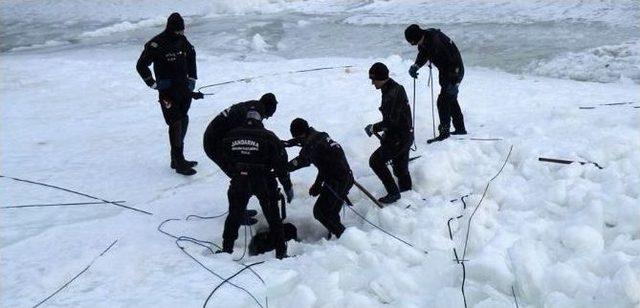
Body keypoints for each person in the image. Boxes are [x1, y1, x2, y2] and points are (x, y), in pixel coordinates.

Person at [216, 111, 293, 259]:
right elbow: (281, 163)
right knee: (273, 217)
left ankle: (227, 249)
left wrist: (235, 171)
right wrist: (287, 185)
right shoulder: (268, 136)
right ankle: (281, 253)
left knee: (234, 214)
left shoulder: (231, 135)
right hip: (263, 179)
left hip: (240, 179)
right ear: (260, 121)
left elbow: (223, 156)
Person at [136, 12, 204, 176]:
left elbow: (192, 54)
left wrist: (192, 78)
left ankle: (176, 158)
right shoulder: (156, 44)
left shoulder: (182, 40)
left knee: (184, 119)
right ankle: (179, 162)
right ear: (170, 28)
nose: (181, 34)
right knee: (175, 123)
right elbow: (141, 65)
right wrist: (152, 83)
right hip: (167, 91)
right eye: (178, 31)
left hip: (183, 89)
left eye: (182, 31)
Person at [287, 118, 353, 238]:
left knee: (320, 212)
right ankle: (338, 236)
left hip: (337, 181)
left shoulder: (312, 146)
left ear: (300, 134)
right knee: (331, 211)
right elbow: (324, 164)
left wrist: (284, 168)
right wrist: (290, 143)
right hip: (346, 176)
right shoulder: (320, 136)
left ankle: (344, 236)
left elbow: (302, 160)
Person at [405, 24, 467, 142]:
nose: (413, 45)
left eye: (412, 42)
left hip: (454, 72)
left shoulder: (435, 42)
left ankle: (444, 133)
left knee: (443, 101)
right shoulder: (426, 38)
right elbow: (424, 53)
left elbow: (452, 59)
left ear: (416, 38)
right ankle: (460, 129)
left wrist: (454, 80)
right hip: (446, 72)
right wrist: (416, 66)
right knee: (451, 100)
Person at [365, 62, 413, 204]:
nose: (372, 83)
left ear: (380, 77)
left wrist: (374, 127)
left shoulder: (390, 94)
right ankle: (408, 195)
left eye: (373, 79)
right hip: (406, 135)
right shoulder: (395, 88)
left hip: (398, 139)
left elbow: (391, 121)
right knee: (400, 169)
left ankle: (394, 193)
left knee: (375, 161)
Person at [203, 93, 278, 177]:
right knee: (239, 174)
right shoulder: (253, 113)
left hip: (213, 135)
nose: (266, 118)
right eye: (267, 116)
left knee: (245, 169)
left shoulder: (252, 106)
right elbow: (254, 136)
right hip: (214, 142)